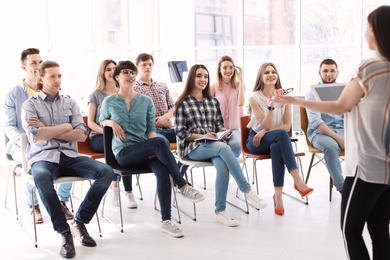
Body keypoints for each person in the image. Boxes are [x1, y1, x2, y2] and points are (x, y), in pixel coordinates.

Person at [272, 5, 390, 259]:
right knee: (381, 233)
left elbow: (340, 106)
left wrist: (295, 101)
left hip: (365, 165)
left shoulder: (370, 68)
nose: (366, 31)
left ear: (379, 31)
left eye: (369, 26)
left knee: (351, 231)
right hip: (387, 166)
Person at [99, 60, 205, 238]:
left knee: (162, 168)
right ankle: (182, 185)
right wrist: (112, 122)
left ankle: (166, 221)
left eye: (133, 72)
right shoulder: (109, 101)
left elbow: (150, 130)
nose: (131, 75)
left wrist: (153, 151)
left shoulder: (146, 101)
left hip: (145, 148)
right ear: (117, 77)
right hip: (124, 153)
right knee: (160, 141)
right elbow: (101, 121)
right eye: (126, 72)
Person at [21, 60, 115, 258]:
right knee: (42, 179)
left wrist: (49, 131)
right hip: (43, 158)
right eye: (52, 76)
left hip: (71, 157)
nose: (57, 80)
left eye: (59, 76)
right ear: (41, 78)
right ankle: (64, 232)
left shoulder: (70, 102)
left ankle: (79, 222)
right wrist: (65, 127)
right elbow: (36, 136)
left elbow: (81, 135)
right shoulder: (30, 105)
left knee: (106, 172)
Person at [175, 64, 267, 227]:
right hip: (192, 148)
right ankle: (247, 190)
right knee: (224, 148)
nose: (203, 79)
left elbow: (218, 125)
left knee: (222, 164)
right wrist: (203, 136)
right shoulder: (182, 102)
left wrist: (224, 131)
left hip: (213, 144)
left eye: (205, 76)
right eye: (199, 76)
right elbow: (181, 133)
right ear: (191, 78)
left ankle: (220, 211)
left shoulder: (212, 101)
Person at [4, 48, 73, 224]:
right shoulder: (14, 94)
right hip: (24, 143)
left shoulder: (51, 88)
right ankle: (33, 205)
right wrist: (20, 139)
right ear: (23, 67)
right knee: (31, 159)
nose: (38, 65)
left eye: (40, 61)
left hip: (52, 141)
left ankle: (62, 201)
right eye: (34, 62)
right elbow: (9, 125)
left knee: (71, 154)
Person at [245, 62, 313, 216]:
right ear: (261, 77)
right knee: (281, 136)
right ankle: (298, 181)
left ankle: (279, 196)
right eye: (266, 72)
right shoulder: (254, 98)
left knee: (277, 145)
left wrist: (264, 131)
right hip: (255, 141)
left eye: (273, 71)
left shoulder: (285, 98)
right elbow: (267, 124)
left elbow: (287, 126)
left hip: (271, 137)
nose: (271, 75)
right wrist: (271, 105)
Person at [87, 59, 134, 208]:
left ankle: (128, 192)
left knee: (127, 148)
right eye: (108, 69)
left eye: (114, 68)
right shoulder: (95, 95)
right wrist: (107, 132)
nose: (112, 71)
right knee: (116, 146)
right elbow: (91, 122)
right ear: (102, 73)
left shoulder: (124, 92)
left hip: (121, 136)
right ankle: (116, 188)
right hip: (99, 137)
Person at [134, 53, 188, 176]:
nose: (147, 67)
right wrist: (157, 122)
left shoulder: (162, 85)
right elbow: (137, 116)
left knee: (191, 139)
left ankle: (177, 174)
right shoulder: (134, 89)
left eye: (150, 64)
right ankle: (177, 178)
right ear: (137, 67)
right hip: (151, 131)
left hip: (169, 127)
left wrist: (165, 118)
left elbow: (172, 107)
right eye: (144, 65)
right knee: (162, 144)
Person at [306, 58, 344, 193]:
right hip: (320, 133)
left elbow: (350, 116)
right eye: (325, 71)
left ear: (337, 72)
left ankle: (365, 187)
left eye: (332, 71)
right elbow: (316, 122)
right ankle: (342, 188)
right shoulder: (312, 92)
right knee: (331, 146)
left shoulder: (344, 91)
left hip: (343, 130)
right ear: (319, 72)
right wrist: (338, 138)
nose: (329, 74)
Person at [210, 55, 246, 158]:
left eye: (231, 67)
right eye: (225, 67)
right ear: (219, 70)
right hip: (218, 128)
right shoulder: (213, 87)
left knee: (236, 144)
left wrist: (241, 80)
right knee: (221, 147)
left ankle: (229, 165)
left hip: (233, 128)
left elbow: (241, 103)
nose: (228, 70)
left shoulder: (240, 85)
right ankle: (228, 166)